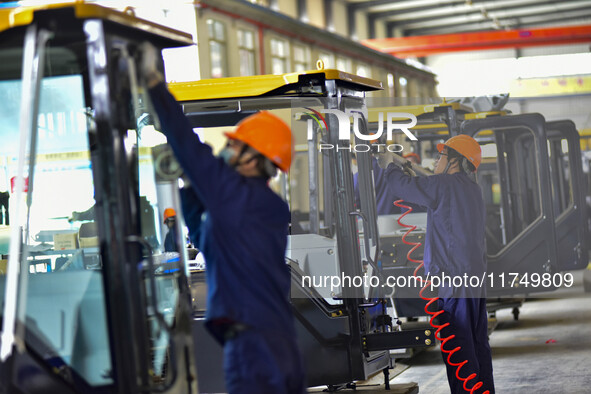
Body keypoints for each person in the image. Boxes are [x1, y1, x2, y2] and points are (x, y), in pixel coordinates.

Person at [142, 45, 306, 394]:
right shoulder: (261, 206)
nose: (226, 151)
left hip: (256, 346)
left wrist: (156, 84)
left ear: (253, 159)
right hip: (271, 339)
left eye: (235, 146)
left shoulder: (241, 196)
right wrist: (189, 187)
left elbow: (189, 146)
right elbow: (206, 239)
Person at [379, 135, 494, 394]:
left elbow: (403, 188)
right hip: (474, 279)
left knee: (459, 346)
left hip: (454, 281)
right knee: (477, 343)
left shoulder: (445, 185)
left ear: (455, 161)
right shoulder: (471, 189)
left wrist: (389, 166)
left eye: (442, 156)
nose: (437, 160)